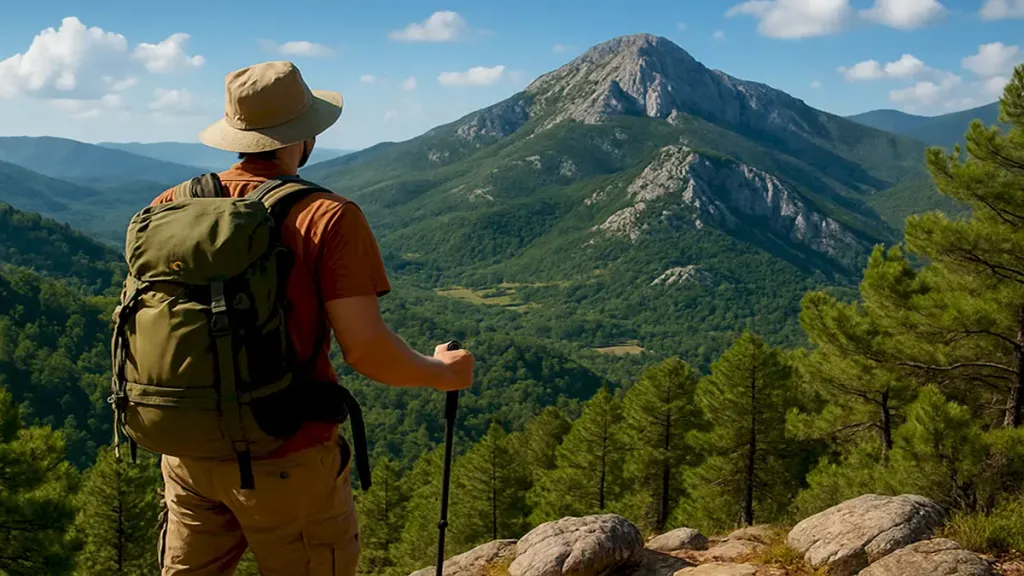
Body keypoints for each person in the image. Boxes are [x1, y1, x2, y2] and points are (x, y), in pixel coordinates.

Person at [147, 61, 474, 576]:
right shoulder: (327, 215)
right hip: (287, 457)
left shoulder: (169, 205)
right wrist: (443, 373)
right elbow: (366, 351)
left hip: (186, 451)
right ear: (307, 135)